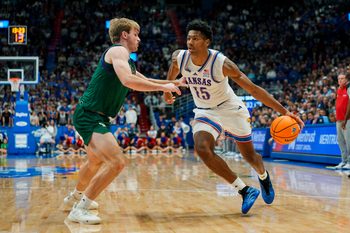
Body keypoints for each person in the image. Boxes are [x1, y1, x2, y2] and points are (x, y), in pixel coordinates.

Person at [164, 20, 304, 214]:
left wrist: (285, 112)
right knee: (202, 148)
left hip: (230, 109)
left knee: (250, 157)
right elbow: (172, 71)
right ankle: (245, 190)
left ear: (207, 42)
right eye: (188, 38)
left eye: (195, 39)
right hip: (206, 111)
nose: (190, 42)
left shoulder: (222, 63)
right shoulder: (179, 57)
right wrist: (168, 89)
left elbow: (254, 90)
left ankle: (263, 177)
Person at [64, 17, 183, 224]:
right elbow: (129, 81)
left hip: (95, 115)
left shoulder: (128, 61)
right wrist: (164, 88)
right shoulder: (117, 51)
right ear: (124, 35)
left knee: (95, 162)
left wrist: (173, 82)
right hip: (90, 115)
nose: (139, 39)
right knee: (117, 162)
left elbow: (145, 80)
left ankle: (76, 196)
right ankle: (80, 208)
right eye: (136, 34)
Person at [334, 73, 350, 169]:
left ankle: (349, 162)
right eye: (339, 79)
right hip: (338, 120)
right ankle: (344, 161)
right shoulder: (338, 90)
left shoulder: (348, 88)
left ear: (346, 79)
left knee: (348, 141)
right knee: (340, 141)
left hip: (347, 120)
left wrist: (345, 119)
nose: (340, 80)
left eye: (342, 78)